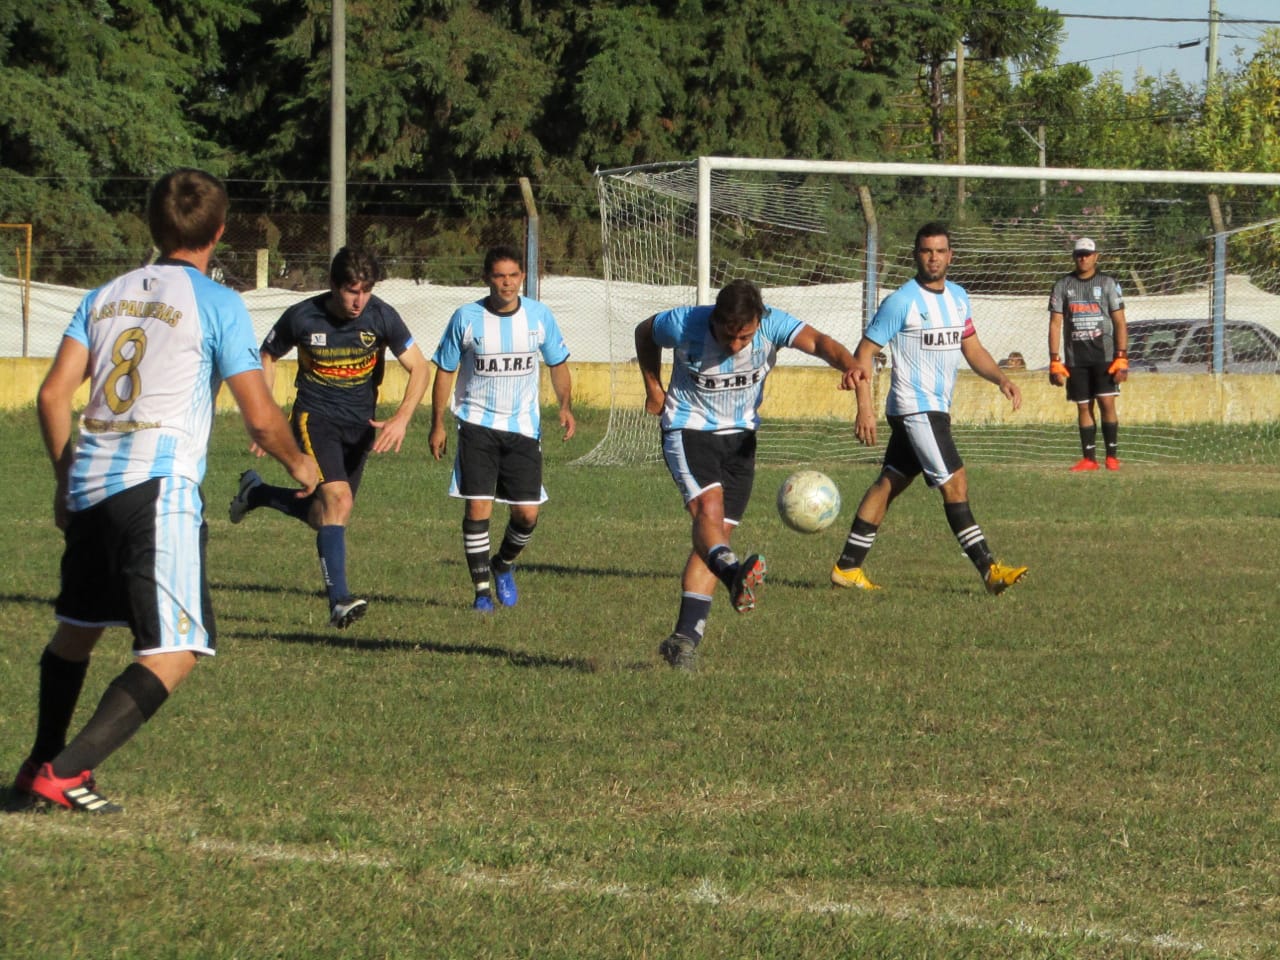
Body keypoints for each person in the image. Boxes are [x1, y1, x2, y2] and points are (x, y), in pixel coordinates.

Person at [14, 168, 319, 813]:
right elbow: (260, 414)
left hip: (93, 482)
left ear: (152, 224)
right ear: (220, 230)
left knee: (78, 630)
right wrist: (304, 470)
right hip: (156, 486)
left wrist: (66, 478)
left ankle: (37, 764)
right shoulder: (215, 302)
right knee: (177, 649)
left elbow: (50, 396)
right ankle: (63, 773)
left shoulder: (104, 294)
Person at [636, 279, 863, 671]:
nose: (737, 345)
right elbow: (645, 332)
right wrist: (654, 387)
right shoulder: (685, 322)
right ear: (716, 319)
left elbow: (821, 342)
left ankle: (684, 640)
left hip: (741, 439)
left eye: (745, 337)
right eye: (729, 335)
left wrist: (850, 364)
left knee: (717, 537)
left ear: (758, 322)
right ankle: (731, 574)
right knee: (707, 514)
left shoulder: (773, 324)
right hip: (688, 430)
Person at [228, 247, 431, 628]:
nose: (359, 301)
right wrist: (265, 412)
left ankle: (256, 493)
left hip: (360, 427)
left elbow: (419, 366)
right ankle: (338, 601)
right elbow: (267, 356)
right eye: (351, 291)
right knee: (338, 499)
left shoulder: (382, 316)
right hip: (314, 418)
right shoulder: (304, 316)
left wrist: (402, 418)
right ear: (334, 286)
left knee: (325, 513)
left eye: (366, 291)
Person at [831, 221, 1027, 597]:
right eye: (926, 251)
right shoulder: (901, 301)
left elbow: (972, 347)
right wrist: (864, 409)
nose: (933, 258)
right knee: (955, 482)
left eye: (940, 251)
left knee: (890, 482)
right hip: (914, 407)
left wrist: (1001, 378)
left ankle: (847, 567)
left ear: (951, 255)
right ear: (915, 255)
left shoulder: (958, 297)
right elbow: (864, 355)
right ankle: (990, 570)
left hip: (935, 409)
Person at [428, 245, 575, 611]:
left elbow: (557, 363)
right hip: (476, 424)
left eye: (513, 275)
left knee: (527, 515)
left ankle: (502, 565)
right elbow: (445, 370)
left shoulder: (539, 316)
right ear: (487, 278)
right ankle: (481, 594)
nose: (506, 283)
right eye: (499, 276)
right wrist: (438, 423)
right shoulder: (466, 317)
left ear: (522, 278)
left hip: (524, 429)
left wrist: (566, 407)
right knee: (478, 507)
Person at [1048, 237, 1129, 471]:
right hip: (1076, 358)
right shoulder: (1063, 285)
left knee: (1106, 402)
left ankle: (1112, 456)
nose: (1083, 258)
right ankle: (1089, 459)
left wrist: (1122, 356)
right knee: (1083, 406)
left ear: (1096, 257)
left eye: (1087, 254)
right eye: (1079, 254)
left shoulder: (1107, 284)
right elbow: (1055, 323)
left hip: (1104, 356)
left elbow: (1120, 322)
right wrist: (1054, 359)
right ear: (1074, 257)